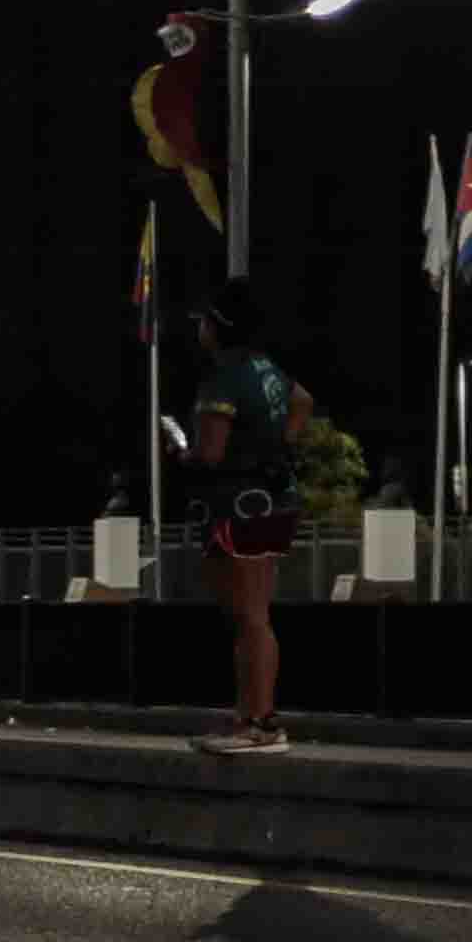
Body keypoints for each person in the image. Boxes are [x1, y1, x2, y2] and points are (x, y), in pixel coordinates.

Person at [173, 295, 310, 757]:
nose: (199, 330)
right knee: (248, 616)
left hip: (241, 505)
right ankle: (246, 716)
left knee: (250, 617)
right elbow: (302, 401)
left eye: (204, 322)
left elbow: (210, 455)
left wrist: (178, 451)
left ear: (220, 328)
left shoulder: (223, 376)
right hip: (276, 500)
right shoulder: (267, 367)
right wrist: (278, 448)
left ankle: (262, 724)